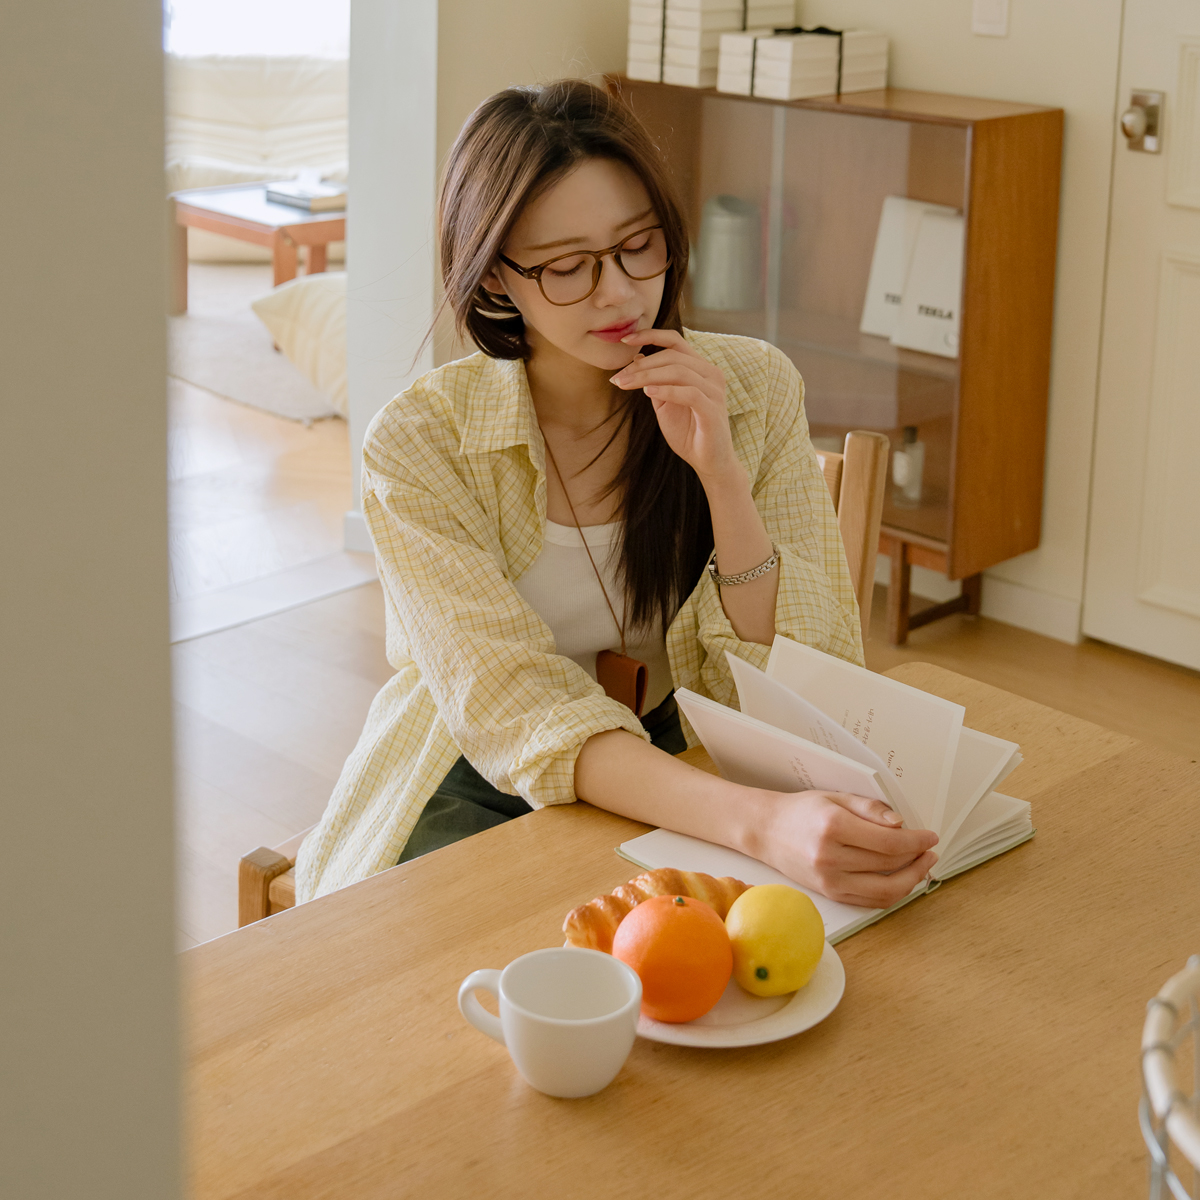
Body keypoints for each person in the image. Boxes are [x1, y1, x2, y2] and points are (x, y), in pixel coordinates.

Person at [295, 80, 937, 907]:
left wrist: (722, 479)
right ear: (497, 281)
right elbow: (515, 706)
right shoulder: (421, 445)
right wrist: (758, 824)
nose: (619, 291)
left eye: (640, 245)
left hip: (681, 742)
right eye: (567, 267)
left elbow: (806, 676)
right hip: (470, 768)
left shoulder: (752, 387)